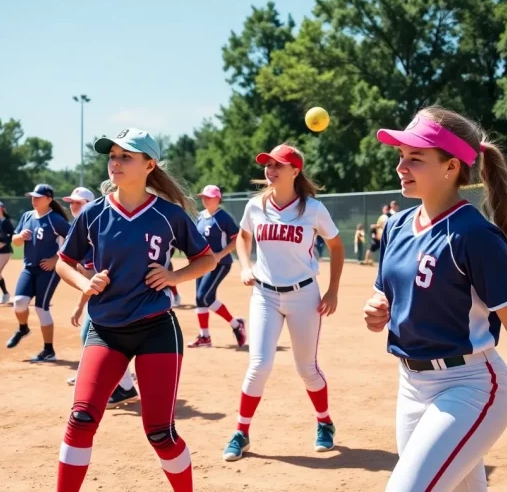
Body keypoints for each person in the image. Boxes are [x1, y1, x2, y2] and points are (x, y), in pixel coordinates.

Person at [363, 107, 507, 491]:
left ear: (451, 166)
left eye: (416, 158)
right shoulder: (395, 227)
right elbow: (388, 295)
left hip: (470, 385)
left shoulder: (472, 234)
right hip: (411, 385)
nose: (401, 167)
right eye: (401, 157)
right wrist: (378, 310)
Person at [54, 128, 216, 492]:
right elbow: (64, 261)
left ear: (149, 165)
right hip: (106, 330)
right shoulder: (93, 213)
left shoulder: (168, 214)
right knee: (80, 419)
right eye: (112, 156)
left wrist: (175, 274)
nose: (115, 162)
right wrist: (85, 284)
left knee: (160, 433)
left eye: (126, 156)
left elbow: (205, 259)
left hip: (155, 328)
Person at [223, 143, 345, 462]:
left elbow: (336, 246)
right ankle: (241, 431)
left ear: (295, 171)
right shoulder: (254, 206)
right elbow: (243, 237)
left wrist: (332, 291)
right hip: (264, 294)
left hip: (304, 295)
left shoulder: (313, 209)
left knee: (307, 368)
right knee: (259, 365)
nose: (271, 170)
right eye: (268, 164)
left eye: (279, 165)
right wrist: (245, 265)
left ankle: (324, 422)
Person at [63, 185, 139, 409]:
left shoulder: (92, 231)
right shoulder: (81, 228)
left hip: (109, 296)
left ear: (89, 205)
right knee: (92, 337)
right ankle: (117, 382)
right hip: (103, 295)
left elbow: (93, 278)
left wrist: (79, 306)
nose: (72, 205)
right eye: (71, 202)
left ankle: (123, 386)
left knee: (95, 336)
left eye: (78, 202)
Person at [6, 184, 71, 362]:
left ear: (48, 199)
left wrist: (56, 259)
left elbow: (74, 240)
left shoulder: (55, 219)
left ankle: (48, 351)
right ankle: (23, 328)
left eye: (38, 197)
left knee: (41, 308)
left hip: (48, 271)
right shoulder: (27, 216)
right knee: (19, 303)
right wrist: (19, 237)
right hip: (29, 268)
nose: (34, 200)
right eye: (32, 197)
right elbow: (15, 241)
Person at [187, 184, 246, 349]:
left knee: (205, 297)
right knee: (200, 299)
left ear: (217, 199)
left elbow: (236, 239)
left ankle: (236, 325)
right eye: (203, 197)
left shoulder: (223, 218)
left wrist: (220, 255)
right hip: (201, 263)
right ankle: (205, 337)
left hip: (220, 264)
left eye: (209, 197)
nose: (205, 200)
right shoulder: (200, 216)